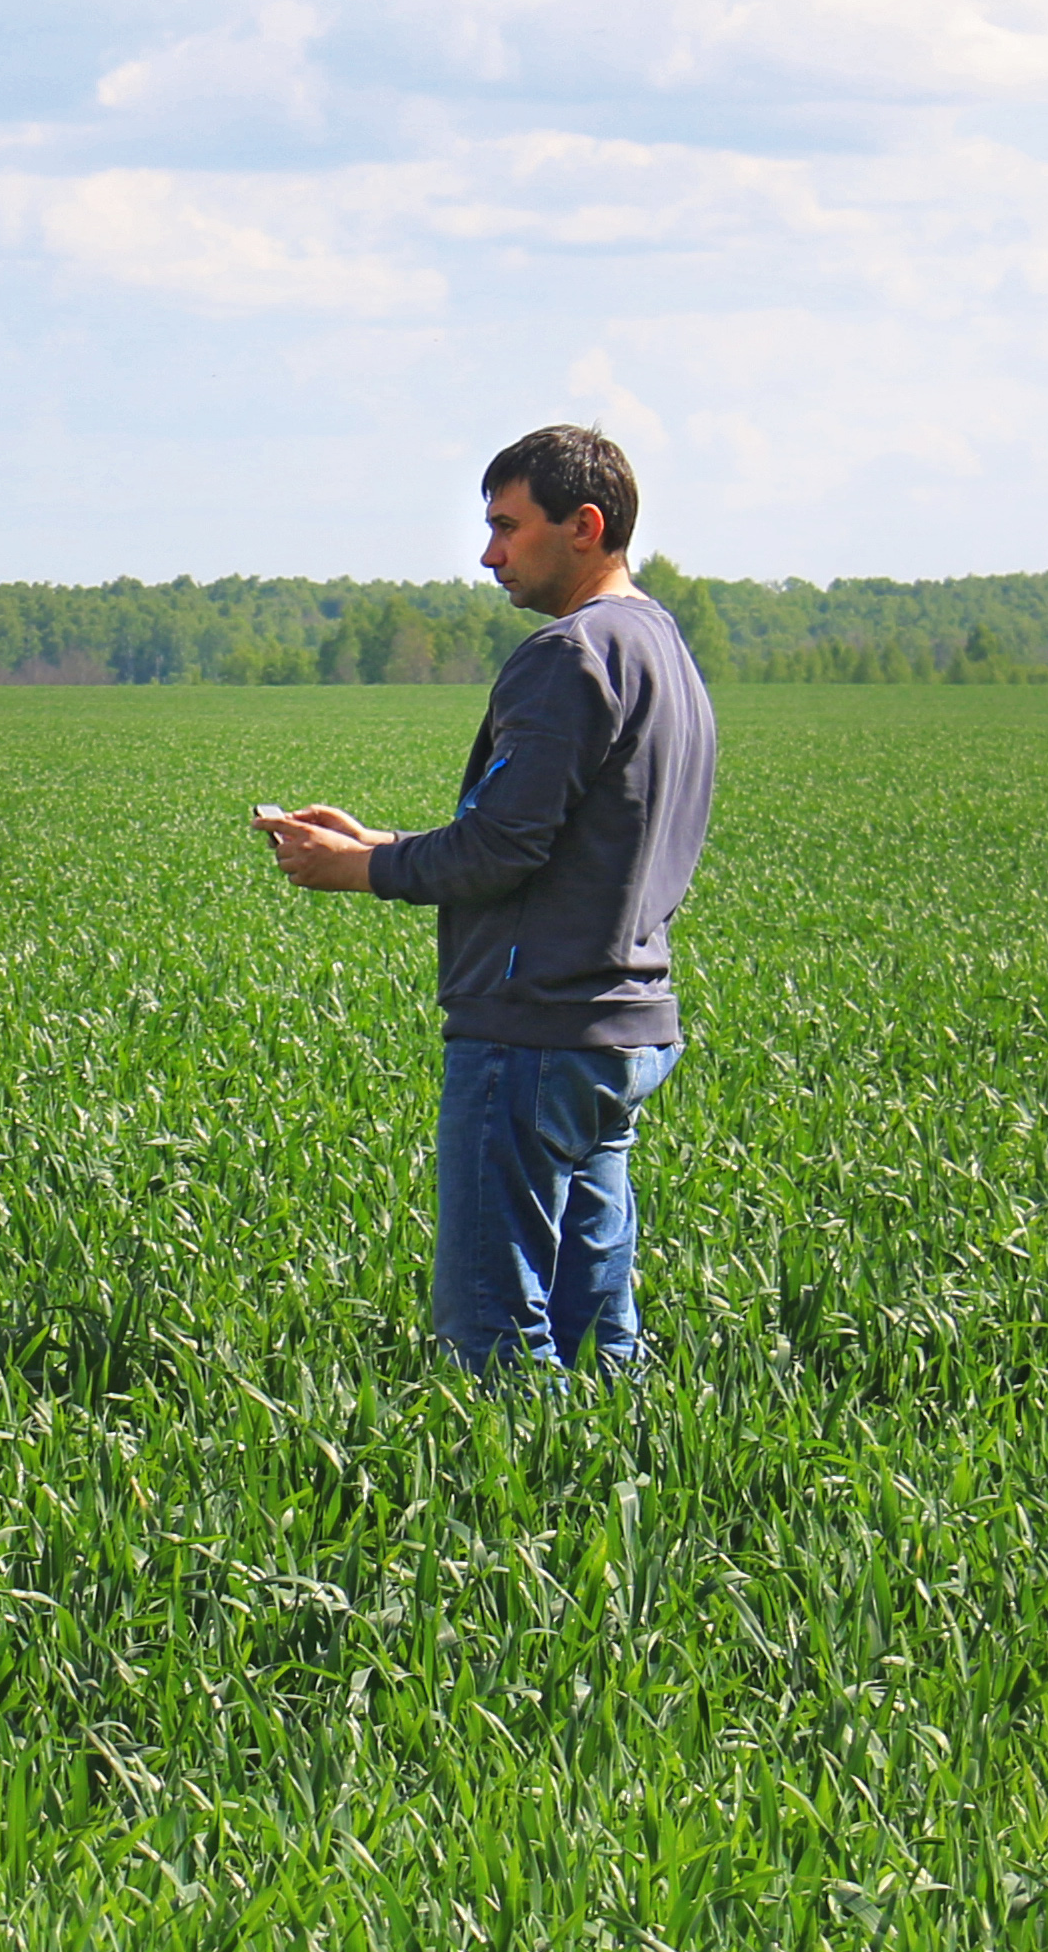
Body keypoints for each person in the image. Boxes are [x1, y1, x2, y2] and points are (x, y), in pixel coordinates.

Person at [256, 427, 716, 1375]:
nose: (488, 553)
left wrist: (358, 871)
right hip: (617, 1026)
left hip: (533, 1029)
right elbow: (565, 836)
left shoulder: (569, 654)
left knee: (491, 1330)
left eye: (508, 528)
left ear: (583, 527)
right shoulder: (660, 646)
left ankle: (515, 1512)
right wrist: (376, 840)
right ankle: (612, 1490)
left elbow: (504, 848)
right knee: (600, 1335)